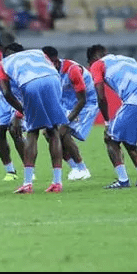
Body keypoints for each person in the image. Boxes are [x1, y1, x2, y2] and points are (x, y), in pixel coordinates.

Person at [0, 43, 71, 194]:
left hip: (30, 83)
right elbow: (52, 68)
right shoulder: (38, 52)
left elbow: (6, 92)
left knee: (32, 132)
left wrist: (21, 112)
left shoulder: (2, 64)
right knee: (53, 130)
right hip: (54, 80)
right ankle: (57, 182)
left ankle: (27, 183)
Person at [87, 44, 137, 189]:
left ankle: (122, 181)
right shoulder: (126, 59)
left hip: (136, 102)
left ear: (93, 59)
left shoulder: (97, 65)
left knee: (110, 138)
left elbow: (101, 96)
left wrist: (107, 122)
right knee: (128, 140)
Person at [43, 46, 94, 181]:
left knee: (63, 131)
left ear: (54, 61)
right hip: (67, 102)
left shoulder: (72, 70)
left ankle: (83, 168)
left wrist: (66, 122)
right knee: (48, 133)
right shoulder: (48, 71)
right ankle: (75, 167)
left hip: (86, 103)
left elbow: (82, 99)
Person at [0, 46, 27, 181]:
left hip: (22, 96)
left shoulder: (24, 62)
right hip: (4, 97)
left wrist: (20, 114)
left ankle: (29, 169)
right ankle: (10, 171)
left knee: (15, 131)